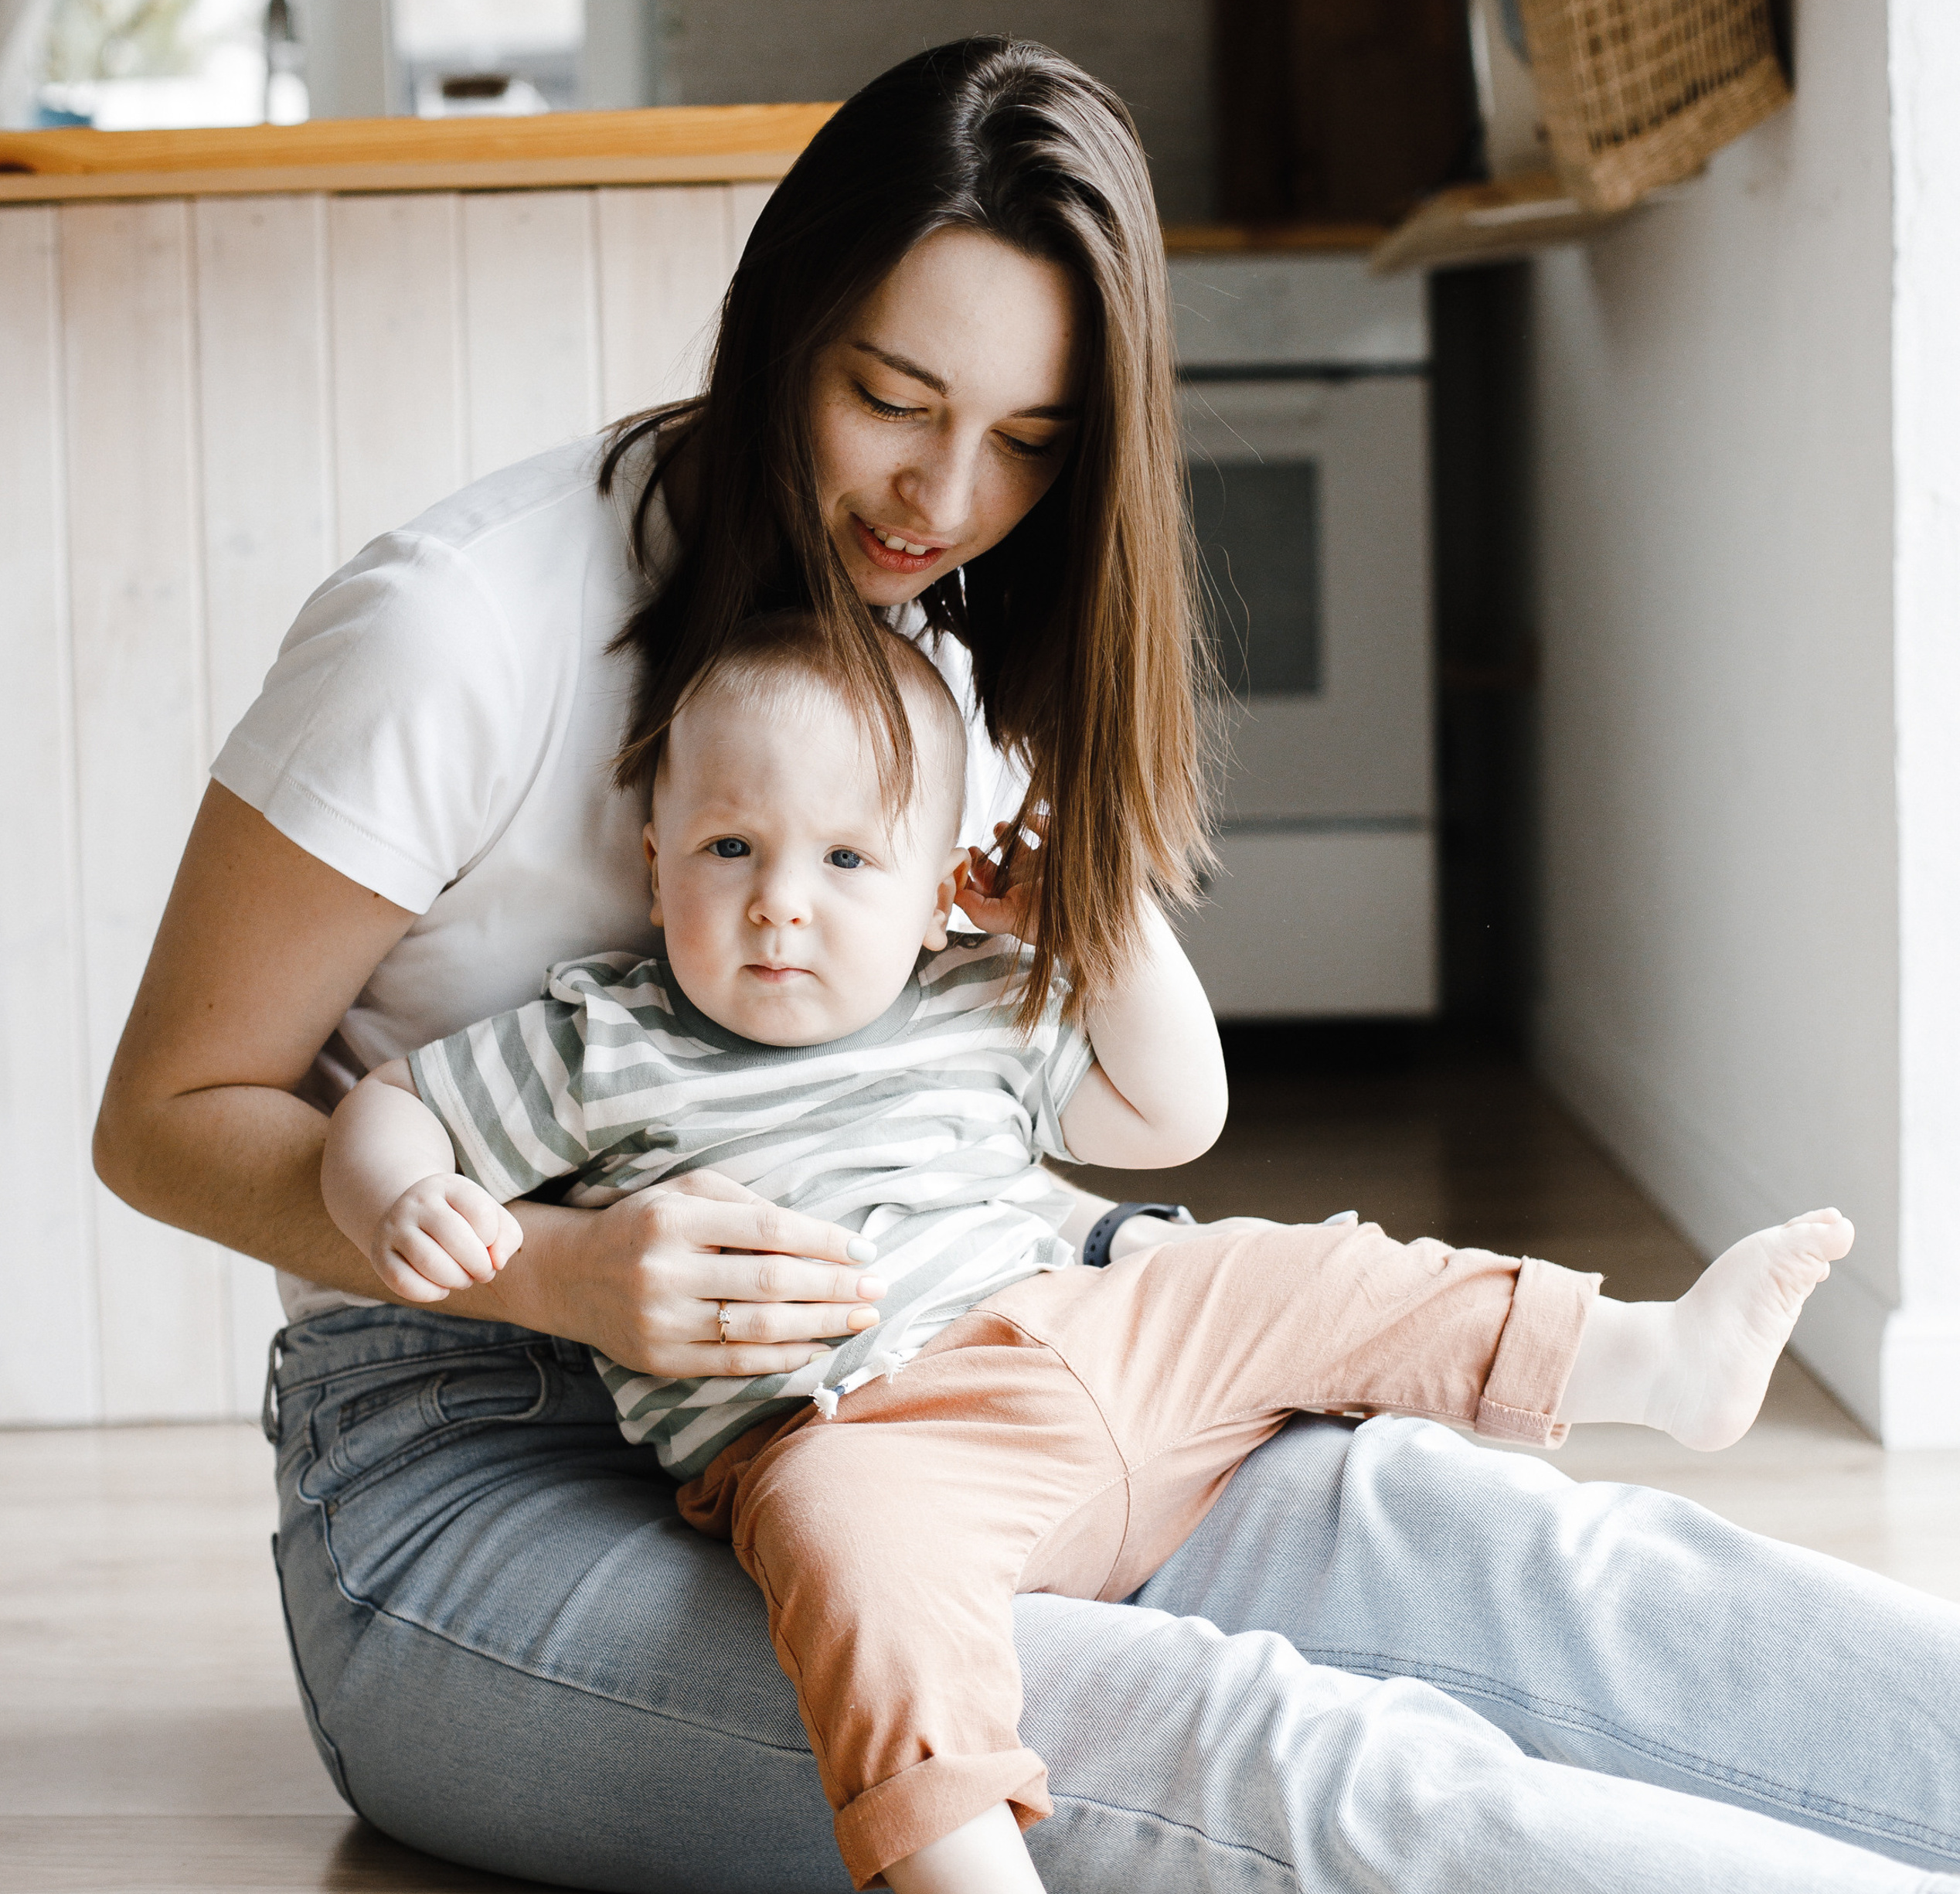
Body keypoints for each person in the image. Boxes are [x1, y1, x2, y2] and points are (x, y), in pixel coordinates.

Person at [90, 36, 1960, 1894]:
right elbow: (163, 1117)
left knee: (1562, 1579)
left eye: (1031, 443)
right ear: (778, 329)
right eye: (892, 398)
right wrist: (566, 1272)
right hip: (479, 1453)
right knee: (1275, 1763)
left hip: (983, 1336)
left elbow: (1121, 1101)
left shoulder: (935, 640)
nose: (944, 499)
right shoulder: (459, 629)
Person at [318, 611, 1862, 1894]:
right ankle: (961, 1863)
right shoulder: (603, 1036)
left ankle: (1651, 1357)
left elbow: (1174, 1111)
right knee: (856, 1590)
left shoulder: (978, 999)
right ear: (655, 855)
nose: (779, 903)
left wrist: (1099, 920)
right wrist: (406, 1200)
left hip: (1097, 1335)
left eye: (846, 861)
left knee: (1298, 1270)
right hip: (861, 1425)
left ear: (935, 889)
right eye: (730, 846)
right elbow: (386, 1103)